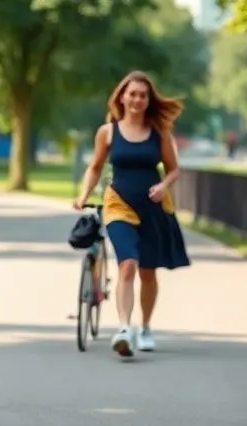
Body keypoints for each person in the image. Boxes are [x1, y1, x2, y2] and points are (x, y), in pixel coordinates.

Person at [73, 70, 190, 358]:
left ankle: (146, 327)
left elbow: (174, 169)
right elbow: (96, 166)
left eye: (143, 95)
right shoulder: (108, 132)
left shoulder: (159, 133)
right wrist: (83, 194)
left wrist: (164, 185)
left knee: (148, 273)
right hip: (119, 204)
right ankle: (124, 328)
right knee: (128, 264)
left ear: (148, 100)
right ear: (122, 97)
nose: (137, 99)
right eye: (132, 94)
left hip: (152, 208)